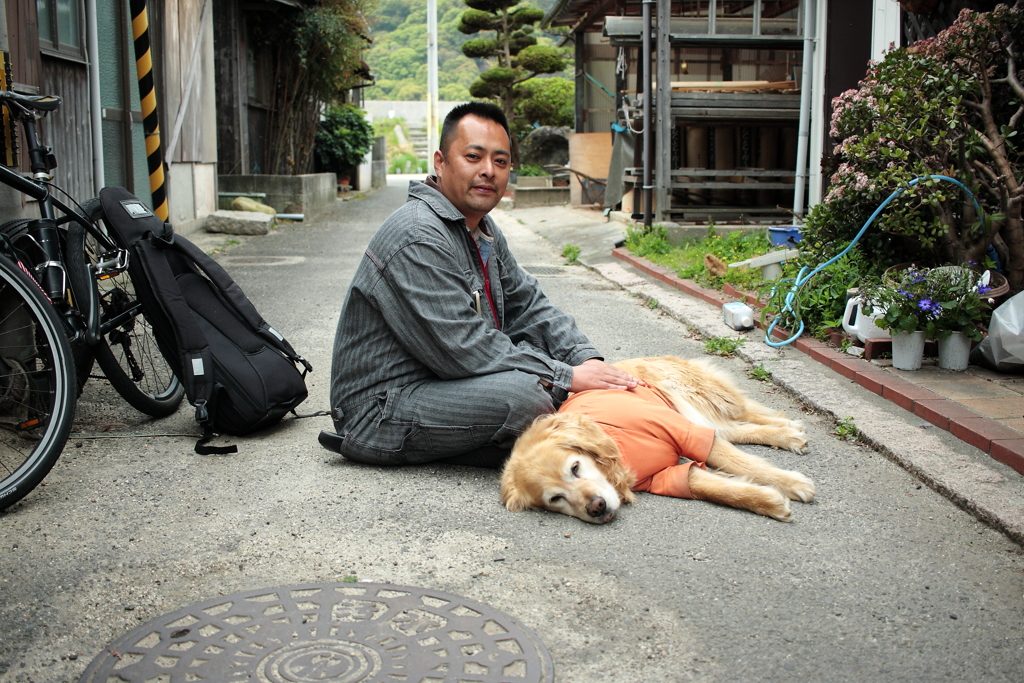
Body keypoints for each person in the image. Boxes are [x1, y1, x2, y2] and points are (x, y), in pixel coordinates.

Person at [323, 101, 638, 467]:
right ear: (440, 162)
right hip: (378, 410)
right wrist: (567, 376)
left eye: (500, 161)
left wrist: (589, 362)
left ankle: (509, 437)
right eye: (474, 157)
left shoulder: (480, 228)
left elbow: (529, 305)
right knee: (524, 396)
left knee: (548, 367)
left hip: (439, 384)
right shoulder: (417, 235)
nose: (488, 171)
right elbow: (465, 349)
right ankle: (510, 438)